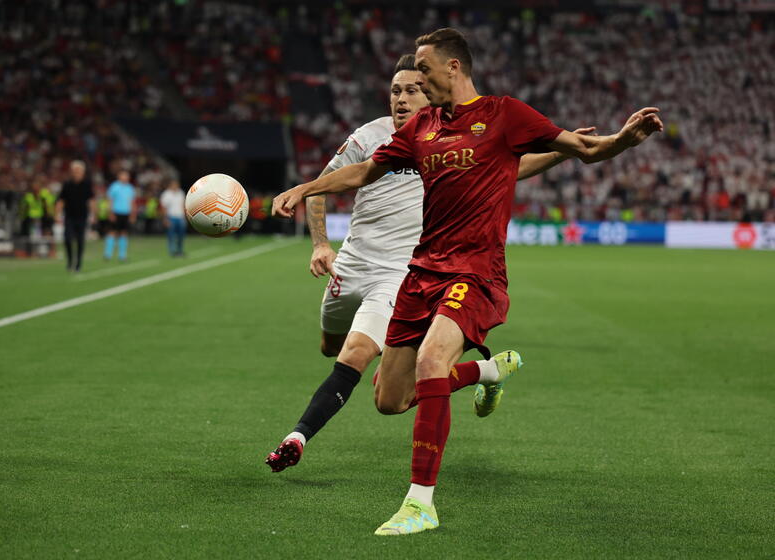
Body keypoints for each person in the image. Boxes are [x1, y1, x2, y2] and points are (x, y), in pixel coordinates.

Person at [272, 28, 663, 535]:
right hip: (421, 272)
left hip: (475, 271)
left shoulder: (506, 115)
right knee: (390, 399)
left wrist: (620, 141)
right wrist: (308, 187)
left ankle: (420, 504)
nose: (416, 79)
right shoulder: (423, 129)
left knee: (434, 360)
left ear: (453, 67)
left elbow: (580, 147)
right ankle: (487, 373)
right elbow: (365, 172)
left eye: (424, 67)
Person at [265, 54, 595, 473]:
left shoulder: (452, 135)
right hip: (350, 265)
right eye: (395, 91)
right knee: (332, 348)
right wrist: (320, 245)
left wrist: (560, 151)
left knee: (356, 356)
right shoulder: (370, 136)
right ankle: (486, 370)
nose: (401, 99)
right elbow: (327, 186)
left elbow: (509, 164)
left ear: (431, 91)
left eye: (412, 90)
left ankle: (297, 438)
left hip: (399, 275)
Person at [56, 160, 94, 272]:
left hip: (82, 216)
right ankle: (70, 260)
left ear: (83, 172)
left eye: (79, 171)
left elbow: (91, 200)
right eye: (74, 170)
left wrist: (93, 214)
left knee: (80, 240)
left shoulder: (87, 184)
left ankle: (78, 263)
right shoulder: (67, 184)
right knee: (67, 238)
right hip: (69, 216)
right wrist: (57, 214)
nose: (76, 173)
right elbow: (61, 200)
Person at [105, 170, 137, 262]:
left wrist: (133, 214)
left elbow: (132, 202)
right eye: (123, 176)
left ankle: (122, 255)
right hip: (116, 212)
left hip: (126, 213)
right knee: (112, 232)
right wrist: (110, 212)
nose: (125, 178)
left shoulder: (130, 188)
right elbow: (110, 200)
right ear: (119, 176)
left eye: (127, 176)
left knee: (124, 233)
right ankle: (108, 254)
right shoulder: (114, 187)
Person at [160, 179, 186, 257]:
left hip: (180, 217)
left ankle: (180, 250)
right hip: (171, 217)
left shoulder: (181, 193)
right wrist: (165, 218)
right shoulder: (166, 194)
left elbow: (183, 205)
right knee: (171, 235)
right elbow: (163, 207)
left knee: (181, 235)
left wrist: (184, 217)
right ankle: (172, 251)